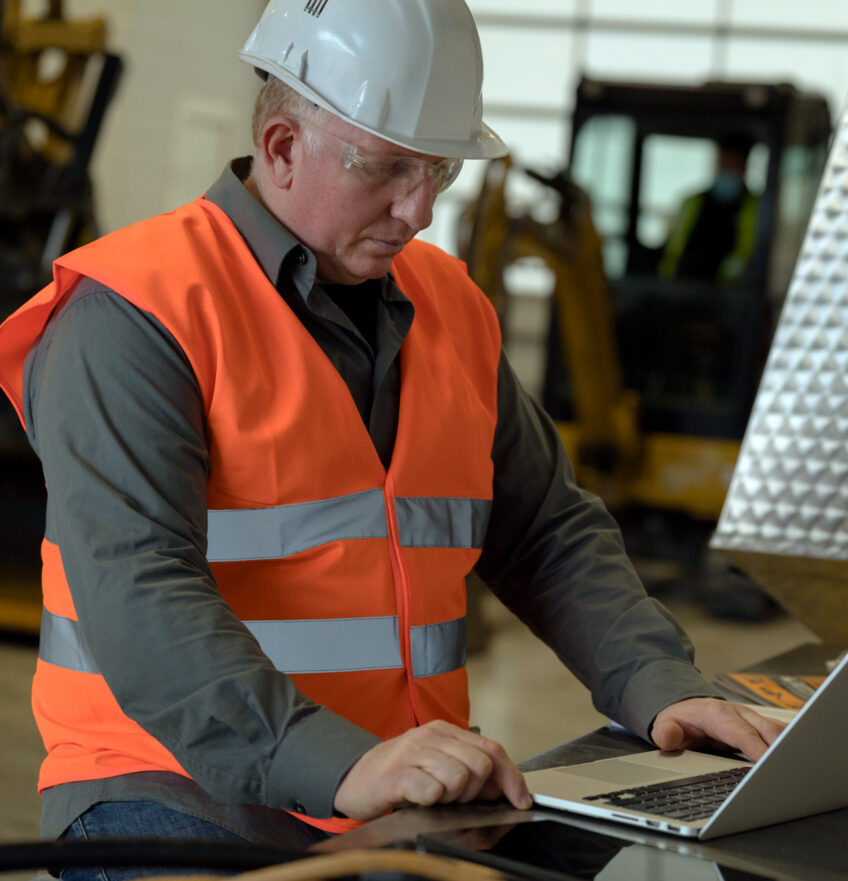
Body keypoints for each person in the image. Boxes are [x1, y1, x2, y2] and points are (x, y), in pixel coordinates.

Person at [0, 0, 783, 872]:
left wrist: (657, 684)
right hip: (174, 789)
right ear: (283, 147)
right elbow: (140, 587)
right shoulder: (134, 312)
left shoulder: (451, 305)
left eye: (438, 174)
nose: (417, 211)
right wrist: (339, 762)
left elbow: (547, 532)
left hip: (403, 786)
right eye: (384, 169)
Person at [657, 132, 759, 283]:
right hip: (682, 283)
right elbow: (674, 247)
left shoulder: (756, 208)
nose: (726, 170)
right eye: (722, 164)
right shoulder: (692, 202)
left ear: (744, 168)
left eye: (732, 165)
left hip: (731, 293)